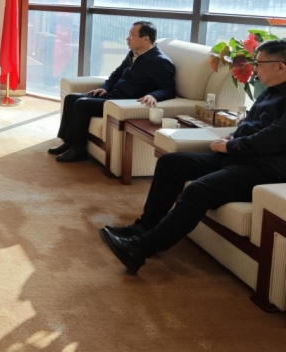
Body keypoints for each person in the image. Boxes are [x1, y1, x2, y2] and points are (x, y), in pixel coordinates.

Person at [100, 38, 286, 274]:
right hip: (239, 156)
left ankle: (139, 249)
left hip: (264, 170)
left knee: (199, 190)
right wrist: (232, 137)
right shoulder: (269, 92)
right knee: (170, 163)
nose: (255, 69)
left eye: (259, 63)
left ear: (280, 67)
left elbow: (274, 137)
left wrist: (231, 146)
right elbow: (250, 123)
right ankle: (144, 227)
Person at [50, 21, 176, 162]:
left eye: (131, 35)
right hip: (112, 95)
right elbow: (115, 75)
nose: (127, 38)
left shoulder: (160, 61)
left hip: (122, 103)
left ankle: (79, 149)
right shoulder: (133, 54)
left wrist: (153, 95)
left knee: (82, 104)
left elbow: (169, 89)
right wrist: (105, 88)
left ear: (145, 39)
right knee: (71, 98)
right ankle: (68, 142)